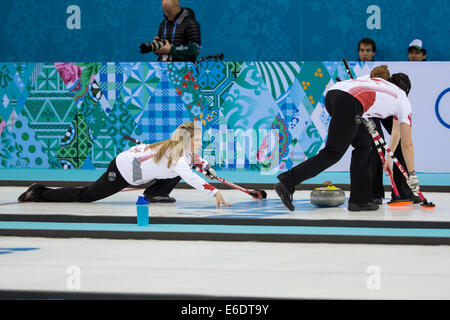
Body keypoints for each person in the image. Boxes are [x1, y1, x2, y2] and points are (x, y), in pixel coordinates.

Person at [275, 73, 420, 212]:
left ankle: (360, 200)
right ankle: (287, 182)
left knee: (364, 144)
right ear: (407, 90)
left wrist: (389, 157)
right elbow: (407, 144)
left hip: (333, 95)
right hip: (349, 102)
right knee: (333, 152)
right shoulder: (403, 99)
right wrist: (412, 175)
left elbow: (395, 132)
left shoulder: (377, 81)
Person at [18, 122, 231, 208]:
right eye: (197, 140)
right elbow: (191, 176)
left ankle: (155, 193)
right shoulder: (176, 157)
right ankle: (40, 192)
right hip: (122, 170)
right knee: (87, 196)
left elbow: (192, 160)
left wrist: (205, 166)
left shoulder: (179, 149)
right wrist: (214, 192)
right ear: (187, 140)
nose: (200, 143)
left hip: (138, 166)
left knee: (179, 171)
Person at [367, 67, 421, 204]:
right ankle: (374, 194)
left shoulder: (399, 100)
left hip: (385, 108)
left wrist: (389, 158)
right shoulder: (379, 88)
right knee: (376, 145)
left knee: (400, 142)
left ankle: (403, 192)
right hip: (369, 107)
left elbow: (397, 133)